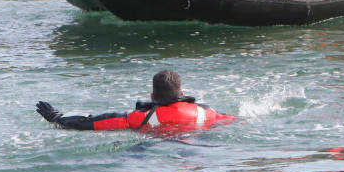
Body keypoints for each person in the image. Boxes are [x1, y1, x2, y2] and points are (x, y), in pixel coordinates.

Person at [35, 70, 235, 132]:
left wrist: (56, 118)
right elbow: (233, 120)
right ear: (182, 92)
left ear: (152, 97)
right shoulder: (207, 112)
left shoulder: (140, 118)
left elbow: (90, 123)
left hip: (157, 151)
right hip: (198, 149)